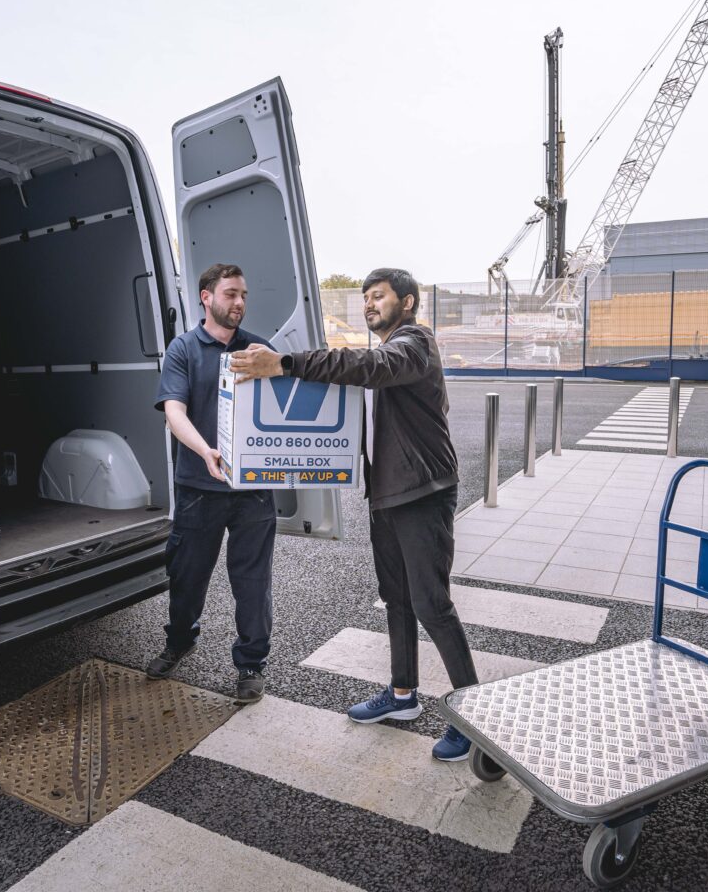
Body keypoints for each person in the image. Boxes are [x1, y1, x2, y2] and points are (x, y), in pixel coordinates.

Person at [230, 267, 478, 760]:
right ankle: (402, 695)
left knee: (432, 604)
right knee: (397, 600)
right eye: (364, 298)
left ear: (406, 302)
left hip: (421, 493)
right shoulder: (393, 349)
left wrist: (284, 363)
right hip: (388, 492)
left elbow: (368, 366)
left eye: (378, 296)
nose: (368, 304)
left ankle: (473, 717)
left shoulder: (414, 344)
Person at [148, 263, 276, 704]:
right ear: (206, 297)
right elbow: (173, 411)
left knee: (253, 583)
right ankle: (180, 640)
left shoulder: (259, 349)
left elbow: (283, 405)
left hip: (252, 493)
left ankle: (251, 664)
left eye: (243, 295)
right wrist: (205, 451)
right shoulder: (184, 349)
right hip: (198, 489)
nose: (238, 302)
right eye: (229, 294)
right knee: (187, 577)